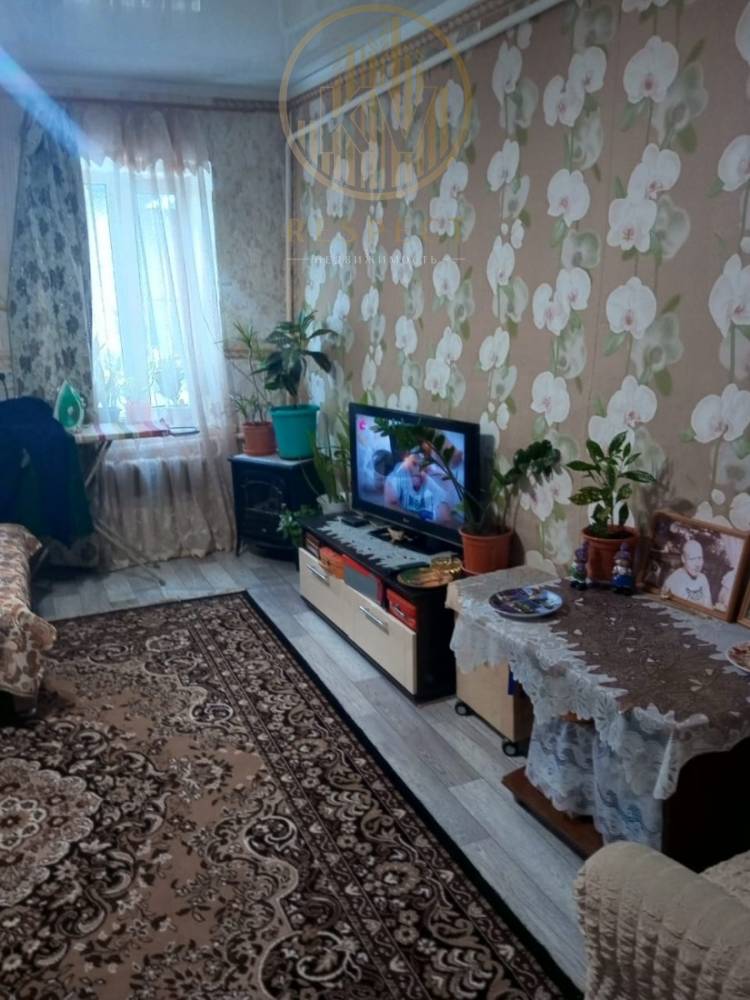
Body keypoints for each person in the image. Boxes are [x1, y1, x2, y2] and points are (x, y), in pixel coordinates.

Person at [663, 539, 713, 609]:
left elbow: (708, 607)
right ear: (683, 559)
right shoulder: (673, 580)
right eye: (692, 559)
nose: (697, 564)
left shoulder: (703, 578)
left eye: (700, 558)